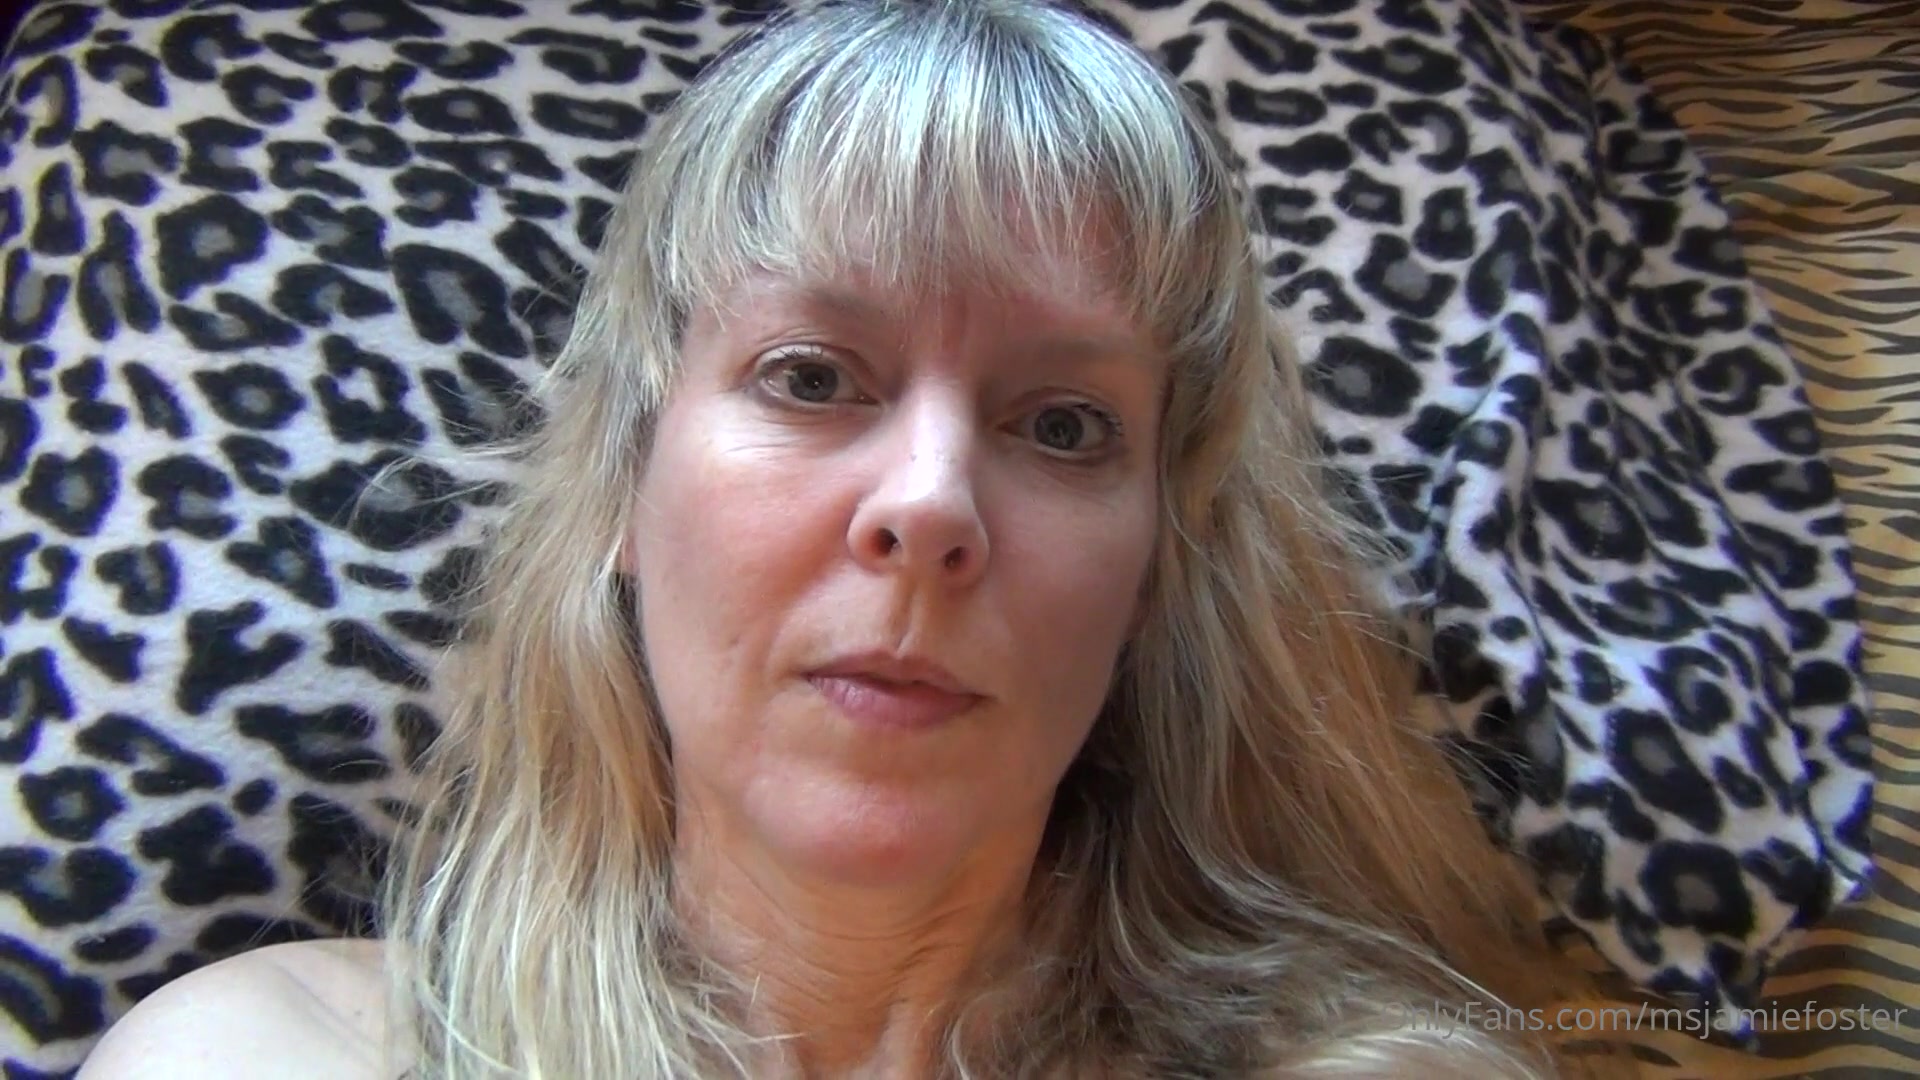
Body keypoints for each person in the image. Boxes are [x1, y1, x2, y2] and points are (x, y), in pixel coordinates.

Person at [79, 1, 1611, 1076]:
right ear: (621, 489)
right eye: (811, 378)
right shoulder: (262, 1056)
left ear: (1154, 573)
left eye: (1063, 425)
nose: (931, 503)